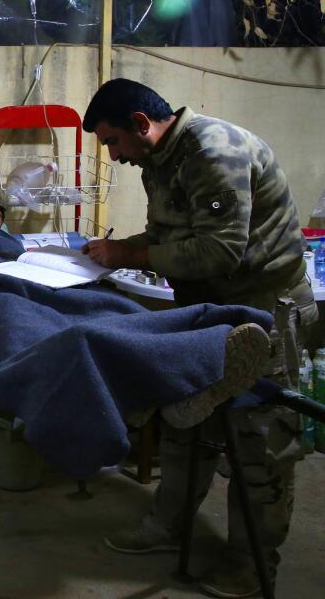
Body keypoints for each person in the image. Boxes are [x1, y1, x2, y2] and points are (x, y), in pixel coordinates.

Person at [81, 78, 318, 598]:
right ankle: (170, 526)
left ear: (141, 124)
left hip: (263, 313)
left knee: (260, 445)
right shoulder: (160, 160)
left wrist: (128, 257)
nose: (114, 156)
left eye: (114, 142)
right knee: (187, 422)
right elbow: (170, 238)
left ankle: (253, 564)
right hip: (208, 309)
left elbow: (218, 252)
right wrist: (111, 249)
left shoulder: (214, 153)